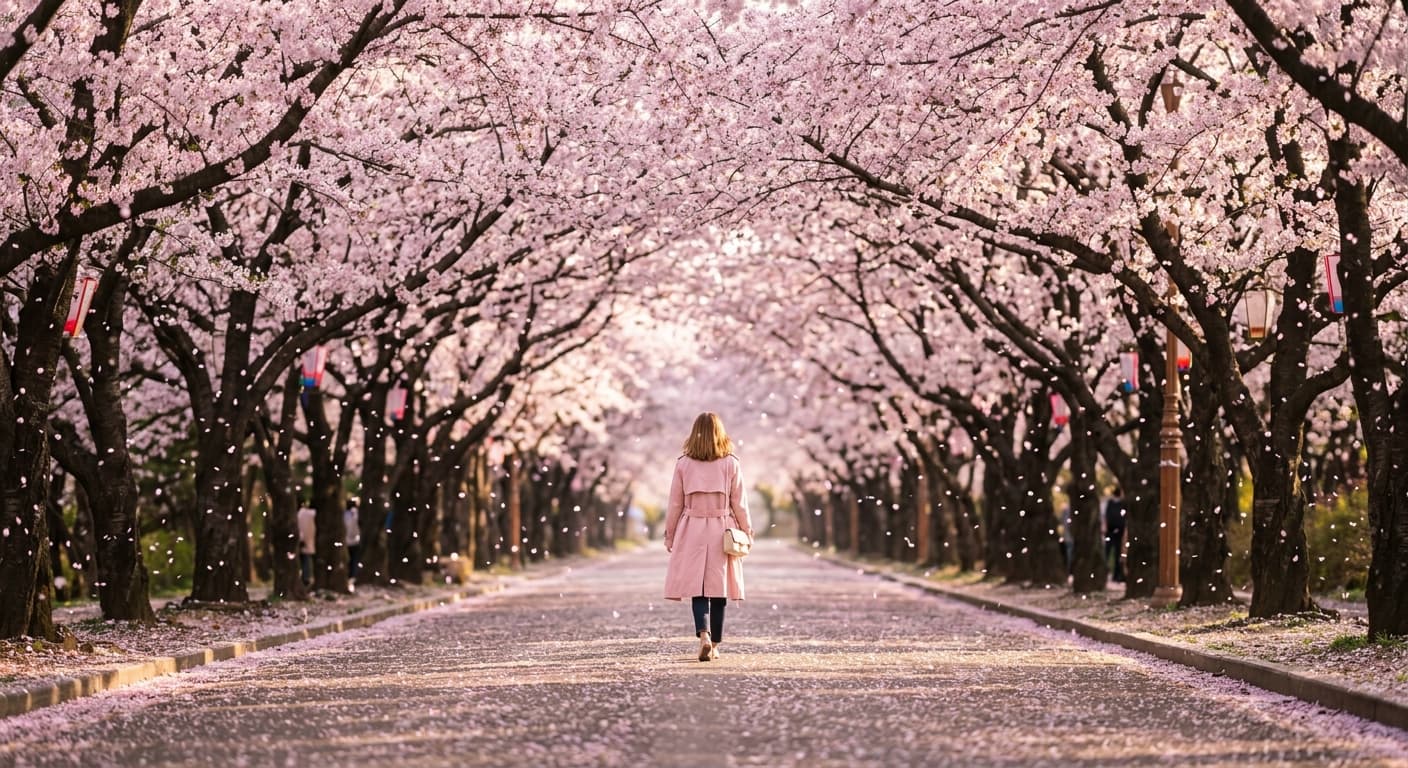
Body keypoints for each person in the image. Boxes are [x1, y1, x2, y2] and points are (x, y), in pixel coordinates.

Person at [663, 412, 754, 662]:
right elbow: (740, 503)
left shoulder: (683, 464)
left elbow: (675, 504)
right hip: (721, 528)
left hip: (691, 527)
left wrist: (670, 534)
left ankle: (703, 634)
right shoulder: (731, 464)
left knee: (698, 587)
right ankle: (714, 645)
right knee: (719, 587)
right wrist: (746, 531)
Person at [1103, 486, 1126, 583]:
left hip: (1119, 531)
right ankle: (1106, 572)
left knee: (1117, 553)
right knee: (1108, 552)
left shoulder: (1121, 504)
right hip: (1111, 531)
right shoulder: (1111, 503)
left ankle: (1116, 575)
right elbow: (1106, 516)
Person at [297, 501, 317, 587]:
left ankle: (305, 577)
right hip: (308, 539)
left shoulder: (299, 513)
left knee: (304, 558)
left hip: (302, 538)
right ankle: (306, 577)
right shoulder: (312, 514)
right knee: (306, 558)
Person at [344, 499, 362, 581]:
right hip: (355, 540)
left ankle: (350, 574)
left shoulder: (344, 514)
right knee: (354, 559)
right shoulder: (356, 514)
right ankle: (353, 575)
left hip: (346, 540)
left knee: (349, 558)